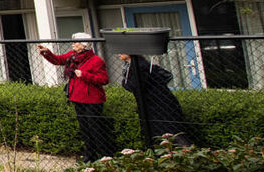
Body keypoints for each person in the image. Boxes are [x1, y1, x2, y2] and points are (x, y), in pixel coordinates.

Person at [38, 33, 112, 161]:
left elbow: (104, 80)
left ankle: (105, 155)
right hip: (77, 97)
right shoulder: (72, 56)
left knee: (95, 129)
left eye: (76, 43)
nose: (73, 44)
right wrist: (47, 53)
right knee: (85, 129)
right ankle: (90, 155)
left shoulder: (96, 61)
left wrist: (84, 75)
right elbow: (58, 60)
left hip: (92, 100)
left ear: (84, 46)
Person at [120, 52, 194, 148]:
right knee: (167, 132)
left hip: (157, 106)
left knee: (172, 133)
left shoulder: (139, 66)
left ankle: (187, 151)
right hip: (156, 105)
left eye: (122, 51)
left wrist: (125, 83)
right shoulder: (137, 65)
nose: (119, 54)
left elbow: (135, 86)